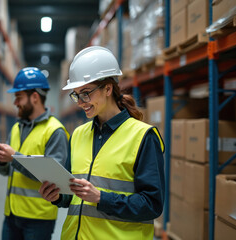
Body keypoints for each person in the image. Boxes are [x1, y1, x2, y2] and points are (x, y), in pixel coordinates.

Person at [39, 46, 165, 240]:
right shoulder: (78, 135)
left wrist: (101, 198)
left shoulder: (143, 136)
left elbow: (152, 205)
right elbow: (71, 193)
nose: (80, 102)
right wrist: (57, 196)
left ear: (108, 88)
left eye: (86, 93)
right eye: (76, 94)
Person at [0, 67, 69, 240]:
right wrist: (3, 161)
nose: (15, 102)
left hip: (38, 218)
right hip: (11, 214)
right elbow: (6, 172)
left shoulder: (55, 131)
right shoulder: (16, 128)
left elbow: (55, 178)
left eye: (19, 97)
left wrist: (14, 158)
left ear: (34, 97)